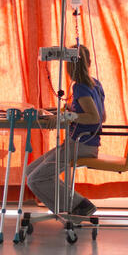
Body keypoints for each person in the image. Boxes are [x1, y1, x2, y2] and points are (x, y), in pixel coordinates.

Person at [26, 45, 106, 217]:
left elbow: (94, 117)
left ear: (68, 66)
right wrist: (68, 109)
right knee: (30, 170)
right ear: (89, 62)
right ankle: (70, 209)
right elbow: (102, 116)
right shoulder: (95, 84)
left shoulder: (80, 87)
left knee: (34, 179)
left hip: (80, 145)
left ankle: (79, 206)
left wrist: (68, 116)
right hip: (84, 144)